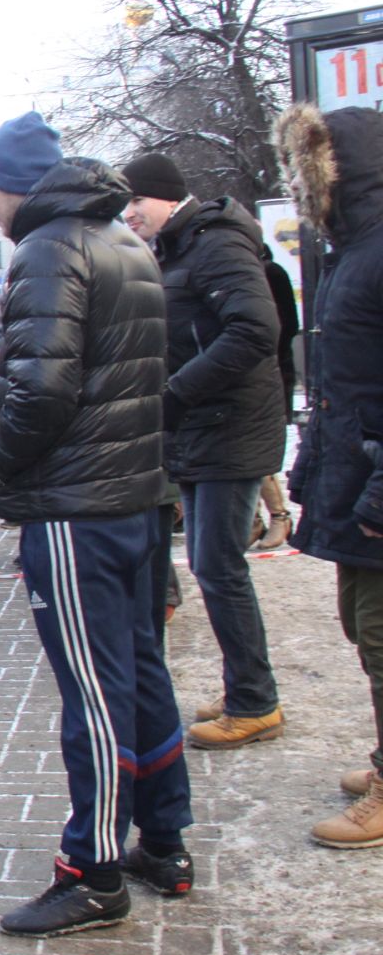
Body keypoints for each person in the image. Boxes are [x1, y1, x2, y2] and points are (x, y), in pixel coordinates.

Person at [0, 113, 192, 937]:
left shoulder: (49, 247)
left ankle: (93, 871)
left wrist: (2, 466)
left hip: (76, 508)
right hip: (131, 498)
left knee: (94, 695)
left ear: (14, 184)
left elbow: (41, 393)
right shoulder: (124, 241)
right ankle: (163, 843)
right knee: (140, 673)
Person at [122, 151, 287, 750]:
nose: (130, 213)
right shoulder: (182, 248)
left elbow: (253, 331)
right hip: (203, 426)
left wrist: (175, 392)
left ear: (166, 197)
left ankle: (255, 702)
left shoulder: (215, 243)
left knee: (219, 568)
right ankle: (247, 684)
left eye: (135, 200)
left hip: (229, 426)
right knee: (215, 566)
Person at [275, 103, 383, 847]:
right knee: (363, 626)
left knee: (380, 633)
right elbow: (343, 385)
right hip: (357, 476)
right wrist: (314, 469)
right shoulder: (356, 249)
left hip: (377, 486)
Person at [248, 243, 299, 550]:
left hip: (271, 373)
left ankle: (279, 516)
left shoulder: (270, 272)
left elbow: (287, 326)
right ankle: (253, 521)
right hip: (242, 375)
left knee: (257, 448)